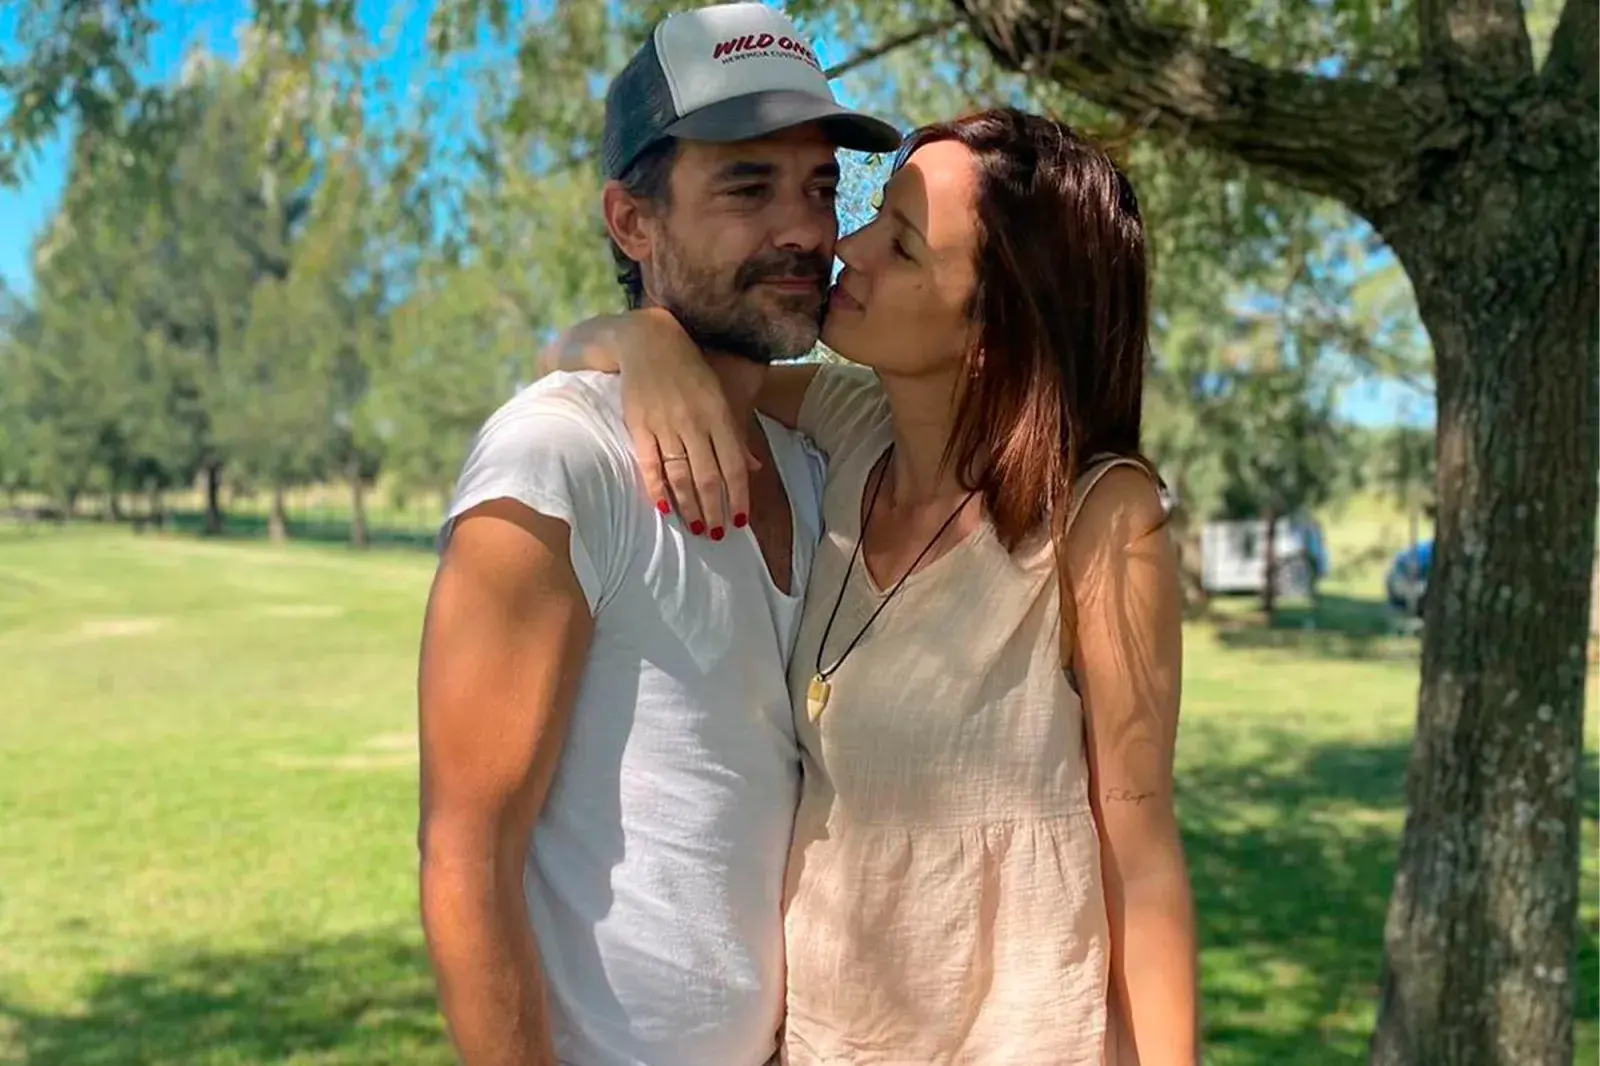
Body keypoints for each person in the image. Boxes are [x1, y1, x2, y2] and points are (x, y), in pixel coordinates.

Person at [547, 108, 1200, 1064]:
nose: (846, 247)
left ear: (996, 327)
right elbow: (584, 360)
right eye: (872, 214)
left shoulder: (1099, 519)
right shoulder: (848, 429)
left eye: (901, 244)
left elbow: (1141, 856)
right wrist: (642, 338)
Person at [415, 4, 899, 1066]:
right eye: (747, 188)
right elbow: (465, 856)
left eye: (821, 187)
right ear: (632, 222)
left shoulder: (816, 464)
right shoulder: (559, 457)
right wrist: (623, 343)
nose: (805, 231)